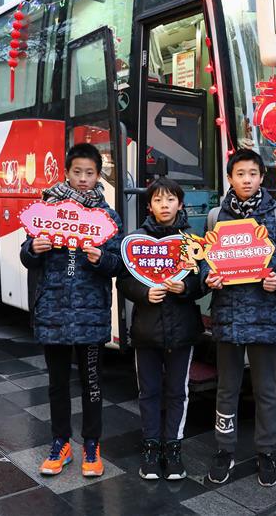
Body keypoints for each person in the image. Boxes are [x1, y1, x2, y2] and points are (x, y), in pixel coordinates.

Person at [20, 143, 124, 478]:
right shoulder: (45, 211)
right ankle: (60, 443)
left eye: (89, 173)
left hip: (91, 313)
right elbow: (26, 255)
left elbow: (117, 263)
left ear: (98, 176)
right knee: (57, 383)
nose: (82, 179)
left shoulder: (107, 218)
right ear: (66, 172)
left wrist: (102, 259)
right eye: (77, 172)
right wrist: (33, 248)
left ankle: (91, 445)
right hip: (54, 310)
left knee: (92, 383)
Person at [202, 149, 276, 487]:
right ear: (230, 178)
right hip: (228, 315)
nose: (246, 179)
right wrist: (208, 276)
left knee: (266, 389)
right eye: (240, 173)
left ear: (262, 177)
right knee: (226, 389)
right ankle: (224, 448)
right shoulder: (216, 216)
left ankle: (266, 451)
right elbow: (204, 257)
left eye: (252, 173)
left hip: (265, 315)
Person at [117, 177, 204, 481]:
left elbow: (204, 280)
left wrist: (186, 287)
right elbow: (124, 280)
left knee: (178, 392)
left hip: (182, 330)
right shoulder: (136, 241)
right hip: (146, 330)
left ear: (180, 204)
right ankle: (151, 448)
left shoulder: (192, 241)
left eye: (170, 199)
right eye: (157, 200)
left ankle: (174, 448)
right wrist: (144, 293)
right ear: (149, 205)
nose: (164, 205)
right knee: (149, 392)